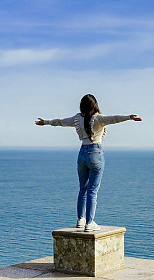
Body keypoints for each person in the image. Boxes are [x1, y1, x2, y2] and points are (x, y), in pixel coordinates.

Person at [35, 94, 142, 231]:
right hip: (95, 154)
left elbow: (61, 121)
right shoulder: (98, 118)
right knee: (92, 190)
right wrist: (129, 117)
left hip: (82, 155)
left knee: (82, 189)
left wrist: (45, 122)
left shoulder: (76, 119)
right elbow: (114, 119)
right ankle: (90, 223)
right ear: (95, 104)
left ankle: (80, 220)